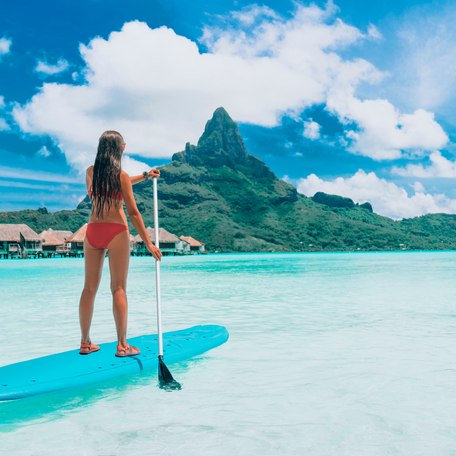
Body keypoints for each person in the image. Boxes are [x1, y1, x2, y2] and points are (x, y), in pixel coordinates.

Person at [78, 130, 162, 357]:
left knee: (89, 288)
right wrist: (149, 243)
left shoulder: (90, 173)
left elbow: (111, 184)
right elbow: (134, 213)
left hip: (93, 231)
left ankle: (85, 342)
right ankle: (123, 345)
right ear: (120, 148)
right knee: (118, 288)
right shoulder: (121, 176)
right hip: (117, 231)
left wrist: (144, 175)